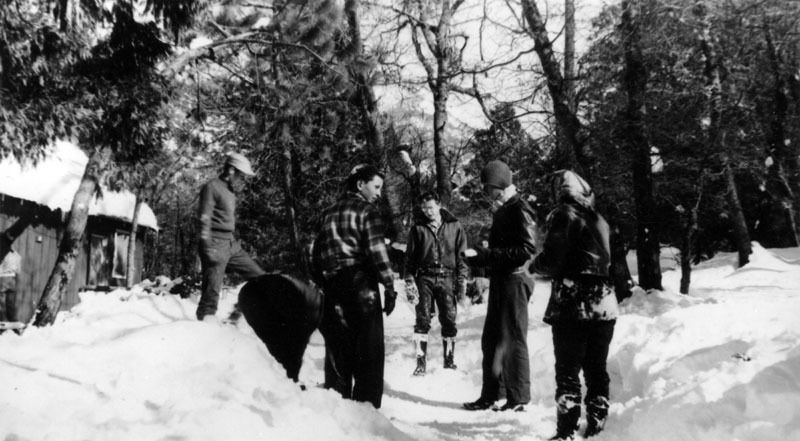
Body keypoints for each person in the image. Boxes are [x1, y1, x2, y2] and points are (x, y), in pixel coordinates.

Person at [530, 170, 619, 440]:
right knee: (596, 368)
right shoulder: (600, 220)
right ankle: (596, 426)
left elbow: (552, 259)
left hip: (573, 304)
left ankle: (566, 431)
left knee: (568, 370)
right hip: (604, 303)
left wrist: (533, 266)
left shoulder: (564, 214)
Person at [312, 164, 397, 409]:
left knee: (338, 353)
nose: (379, 193)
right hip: (362, 288)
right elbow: (377, 253)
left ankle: (339, 417)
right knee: (368, 355)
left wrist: (322, 280)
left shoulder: (327, 212)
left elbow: (314, 251)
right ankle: (367, 418)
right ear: (360, 184)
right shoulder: (367, 211)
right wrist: (390, 287)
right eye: (377, 186)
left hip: (333, 287)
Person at [462, 160, 537, 412]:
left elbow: (527, 250)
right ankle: (491, 394)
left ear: (500, 184)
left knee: (513, 338)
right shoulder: (504, 209)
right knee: (492, 340)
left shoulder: (520, 208)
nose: (485, 192)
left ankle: (518, 399)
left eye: (488, 186)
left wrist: (487, 255)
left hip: (515, 280)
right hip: (502, 280)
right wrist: (481, 257)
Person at [403, 191, 468, 376]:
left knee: (449, 318)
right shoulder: (417, 228)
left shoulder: (454, 226)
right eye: (424, 208)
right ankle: (420, 363)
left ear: (439, 205)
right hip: (425, 278)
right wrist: (409, 281)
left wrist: (461, 284)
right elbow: (409, 259)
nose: (428, 212)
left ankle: (449, 361)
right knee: (422, 319)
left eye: (430, 207)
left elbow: (462, 258)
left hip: (447, 277)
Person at [196, 152, 266, 321]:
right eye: (242, 175)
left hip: (230, 243)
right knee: (211, 293)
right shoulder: (212, 187)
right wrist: (207, 248)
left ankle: (236, 314)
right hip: (214, 243)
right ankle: (203, 328)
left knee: (260, 278)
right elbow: (203, 218)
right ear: (232, 170)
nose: (243, 179)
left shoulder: (230, 191)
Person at [237, 273, 323, 383]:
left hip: (248, 293)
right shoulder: (314, 309)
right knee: (290, 346)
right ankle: (289, 382)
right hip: (275, 291)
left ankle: (285, 382)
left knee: (276, 344)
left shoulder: (309, 294)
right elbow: (300, 338)